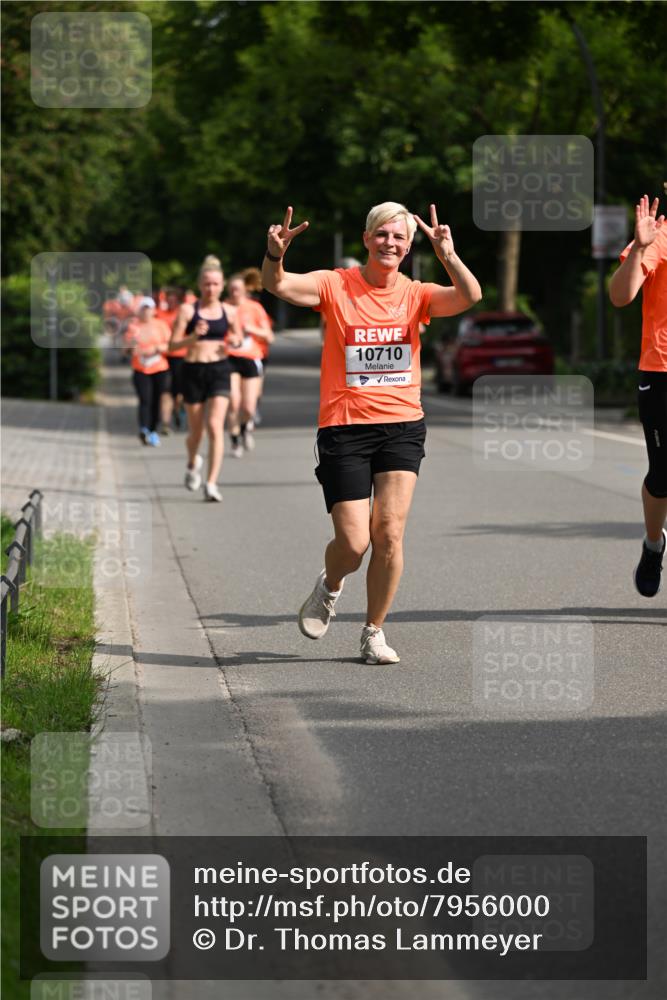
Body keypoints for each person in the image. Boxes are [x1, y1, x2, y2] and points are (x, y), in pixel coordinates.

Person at [262, 202, 482, 663]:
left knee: (390, 532)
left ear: (408, 247)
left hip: (402, 425)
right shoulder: (335, 284)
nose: (390, 243)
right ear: (367, 239)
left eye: (399, 237)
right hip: (344, 427)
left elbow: (469, 297)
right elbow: (277, 285)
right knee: (354, 543)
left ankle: (373, 631)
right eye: (382, 235)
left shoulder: (417, 293)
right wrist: (275, 255)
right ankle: (330, 584)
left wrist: (448, 255)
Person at [609, 192, 667, 597]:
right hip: (661, 370)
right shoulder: (659, 236)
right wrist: (639, 250)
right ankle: (653, 545)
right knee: (663, 477)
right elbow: (620, 296)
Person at [169, 256, 242, 502]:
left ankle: (211, 483)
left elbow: (238, 338)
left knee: (214, 425)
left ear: (222, 286)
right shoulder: (188, 310)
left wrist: (234, 341)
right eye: (207, 284)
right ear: (200, 285)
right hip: (193, 370)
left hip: (220, 370)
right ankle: (192, 463)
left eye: (215, 284)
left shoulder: (230, 311)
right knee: (196, 432)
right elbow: (172, 344)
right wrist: (192, 338)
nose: (211, 288)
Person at [225, 274, 275, 456]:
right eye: (231, 289)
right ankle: (235, 441)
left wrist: (251, 329)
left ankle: (245, 428)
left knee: (248, 406)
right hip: (229, 358)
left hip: (251, 358)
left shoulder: (254, 308)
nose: (234, 292)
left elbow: (269, 336)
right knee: (233, 402)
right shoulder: (223, 308)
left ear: (245, 290)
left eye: (237, 289)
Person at [124, 297, 172, 446]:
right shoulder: (134, 326)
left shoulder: (161, 325)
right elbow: (127, 349)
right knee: (145, 399)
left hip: (159, 368)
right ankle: (143, 429)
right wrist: (131, 349)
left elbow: (170, 345)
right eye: (143, 308)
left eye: (149, 308)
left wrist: (156, 348)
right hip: (141, 369)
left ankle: (153, 430)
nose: (146, 311)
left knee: (156, 400)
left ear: (153, 310)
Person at [157, 286, 186, 432]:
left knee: (179, 393)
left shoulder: (184, 314)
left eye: (174, 301)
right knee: (165, 390)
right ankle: (166, 423)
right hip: (164, 358)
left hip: (181, 357)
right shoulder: (159, 314)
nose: (171, 303)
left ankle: (177, 408)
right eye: (168, 300)